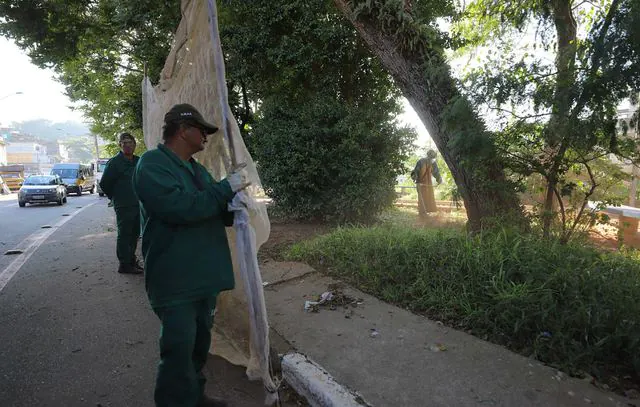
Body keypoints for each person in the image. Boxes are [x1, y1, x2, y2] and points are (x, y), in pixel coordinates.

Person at [133, 104, 250, 407]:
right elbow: (181, 208)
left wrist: (234, 207)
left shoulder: (197, 170)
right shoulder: (152, 164)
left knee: (199, 348)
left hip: (203, 277)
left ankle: (194, 397)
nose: (206, 138)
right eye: (202, 131)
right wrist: (224, 190)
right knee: (178, 351)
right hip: (176, 280)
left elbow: (211, 206)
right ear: (183, 130)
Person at [99, 132, 143, 274]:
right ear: (120, 145)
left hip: (138, 204)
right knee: (125, 234)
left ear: (135, 145)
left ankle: (131, 260)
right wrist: (115, 197)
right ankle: (124, 264)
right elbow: (105, 183)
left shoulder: (138, 161)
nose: (128, 145)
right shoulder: (114, 163)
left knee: (135, 234)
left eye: (130, 142)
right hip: (123, 205)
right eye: (124, 143)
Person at [410, 149, 442, 215]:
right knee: (422, 198)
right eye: (431, 156)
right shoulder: (421, 161)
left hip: (428, 183)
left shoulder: (432, 163)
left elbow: (436, 173)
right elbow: (416, 171)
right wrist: (415, 177)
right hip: (420, 183)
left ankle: (426, 212)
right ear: (429, 155)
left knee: (428, 197)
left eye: (432, 157)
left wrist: (439, 180)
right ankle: (422, 213)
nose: (431, 158)